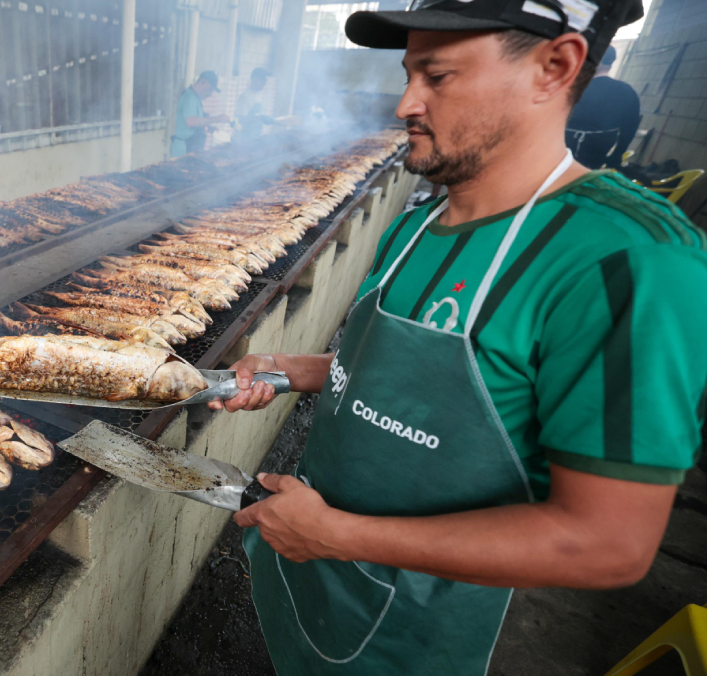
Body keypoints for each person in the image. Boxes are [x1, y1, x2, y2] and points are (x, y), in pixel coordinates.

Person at [210, 0, 707, 674]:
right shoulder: (421, 222)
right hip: (312, 581)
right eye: (409, 73)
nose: (404, 104)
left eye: (437, 77)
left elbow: (607, 542)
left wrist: (340, 535)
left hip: (418, 636)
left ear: (554, 67)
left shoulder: (628, 263)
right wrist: (291, 368)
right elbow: (414, 372)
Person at [566, 45, 641, 169]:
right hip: (596, 156)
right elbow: (630, 128)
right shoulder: (627, 92)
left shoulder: (573, 86)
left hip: (560, 151)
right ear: (611, 63)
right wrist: (617, 154)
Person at [171, 71, 229, 157]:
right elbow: (190, 122)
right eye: (210, 89)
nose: (211, 93)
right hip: (184, 149)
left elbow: (194, 121)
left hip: (190, 148)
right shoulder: (190, 97)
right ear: (203, 82)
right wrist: (217, 118)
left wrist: (207, 127)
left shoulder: (195, 98)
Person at [234, 67, 277, 144]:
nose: (264, 83)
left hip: (254, 137)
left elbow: (256, 116)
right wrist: (261, 118)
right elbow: (241, 120)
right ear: (254, 79)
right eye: (262, 80)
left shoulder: (258, 96)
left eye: (265, 80)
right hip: (243, 139)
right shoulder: (245, 96)